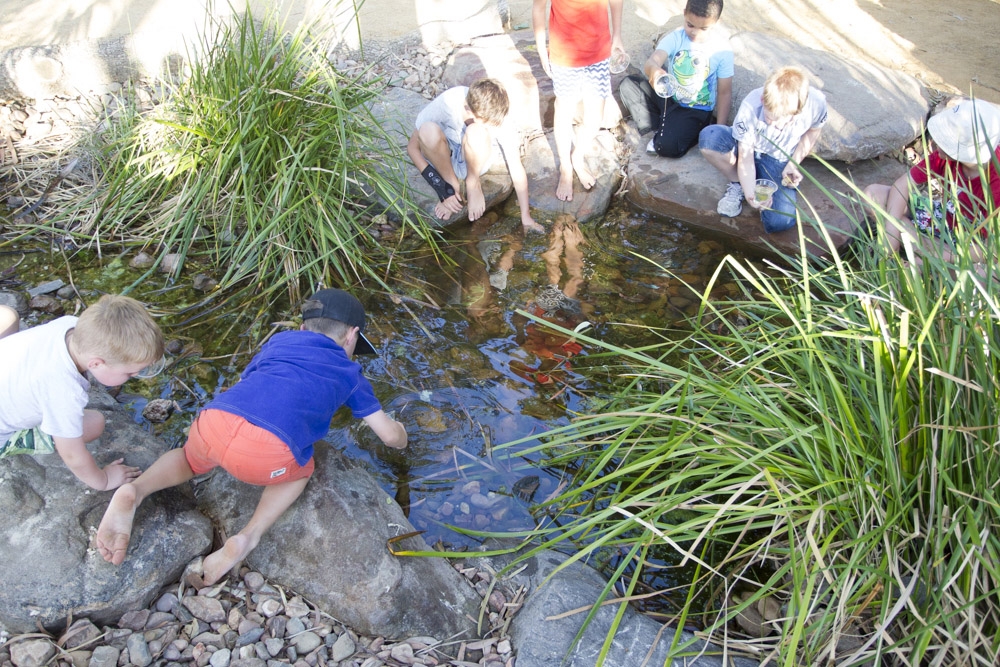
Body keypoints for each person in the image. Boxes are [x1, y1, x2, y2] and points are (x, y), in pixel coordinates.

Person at [95, 289, 407, 586]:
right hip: (266, 451)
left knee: (189, 458)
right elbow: (389, 436)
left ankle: (135, 491)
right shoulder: (348, 372)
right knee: (302, 470)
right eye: (355, 343)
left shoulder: (280, 342)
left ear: (302, 327)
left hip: (217, 418)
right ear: (351, 335)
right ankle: (247, 537)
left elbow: (250, 380)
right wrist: (403, 434)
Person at [0, 295, 164, 490]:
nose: (135, 375)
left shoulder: (71, 326)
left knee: (7, 315)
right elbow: (72, 454)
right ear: (96, 364)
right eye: (129, 373)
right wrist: (103, 480)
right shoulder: (65, 392)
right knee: (94, 423)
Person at [862, 99, 1000, 266]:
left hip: (973, 242)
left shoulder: (995, 182)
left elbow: (991, 250)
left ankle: (925, 256)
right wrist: (891, 231)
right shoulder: (946, 156)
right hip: (945, 217)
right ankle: (920, 251)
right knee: (873, 195)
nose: (934, 144)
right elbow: (903, 184)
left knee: (979, 275)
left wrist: (942, 256)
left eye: (946, 142)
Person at [698, 65, 828, 232]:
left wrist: (792, 163)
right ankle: (737, 183)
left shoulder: (817, 103)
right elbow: (745, 157)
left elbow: (813, 131)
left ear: (799, 110)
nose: (776, 126)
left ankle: (757, 181)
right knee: (711, 138)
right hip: (748, 148)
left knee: (780, 222)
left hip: (778, 157)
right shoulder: (751, 105)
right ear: (762, 101)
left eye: (785, 121)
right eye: (769, 118)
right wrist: (750, 195)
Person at [407, 79, 543, 233]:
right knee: (427, 130)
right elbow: (412, 148)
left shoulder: (500, 117)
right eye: (489, 123)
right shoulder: (448, 101)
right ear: (469, 110)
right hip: (444, 156)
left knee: (476, 131)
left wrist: (526, 217)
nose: (493, 126)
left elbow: (516, 167)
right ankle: (451, 183)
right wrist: (442, 188)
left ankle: (473, 183)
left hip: (476, 156)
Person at [534, 0, 625, 201]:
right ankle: (566, 168)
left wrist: (617, 35)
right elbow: (539, 7)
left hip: (598, 51)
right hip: (564, 55)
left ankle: (578, 155)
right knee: (564, 110)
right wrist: (542, 51)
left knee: (595, 117)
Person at [618, 0, 733, 158]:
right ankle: (662, 129)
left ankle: (669, 133)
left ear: (716, 22)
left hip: (695, 110)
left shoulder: (722, 50)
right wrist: (655, 71)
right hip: (669, 96)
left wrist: (719, 130)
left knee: (666, 147)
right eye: (690, 25)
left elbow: (724, 92)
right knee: (629, 85)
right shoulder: (676, 37)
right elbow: (652, 62)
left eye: (704, 28)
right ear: (684, 13)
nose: (695, 33)